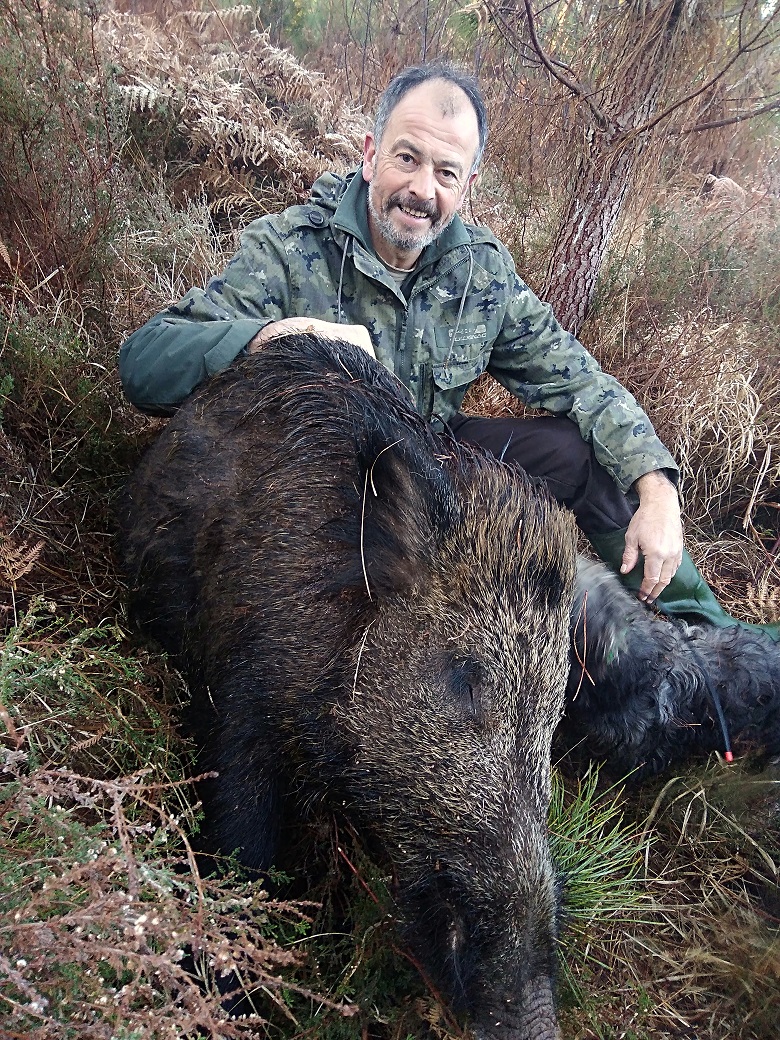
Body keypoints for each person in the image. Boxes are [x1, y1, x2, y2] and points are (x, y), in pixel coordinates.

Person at [119, 62, 778, 640]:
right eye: (407, 159)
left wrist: (658, 490)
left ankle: (711, 640)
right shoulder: (287, 251)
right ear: (372, 152)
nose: (422, 190)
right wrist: (276, 337)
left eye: (446, 172)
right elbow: (146, 363)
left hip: (428, 465)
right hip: (309, 490)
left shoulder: (480, 271)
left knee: (579, 454)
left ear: (466, 186)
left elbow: (581, 382)